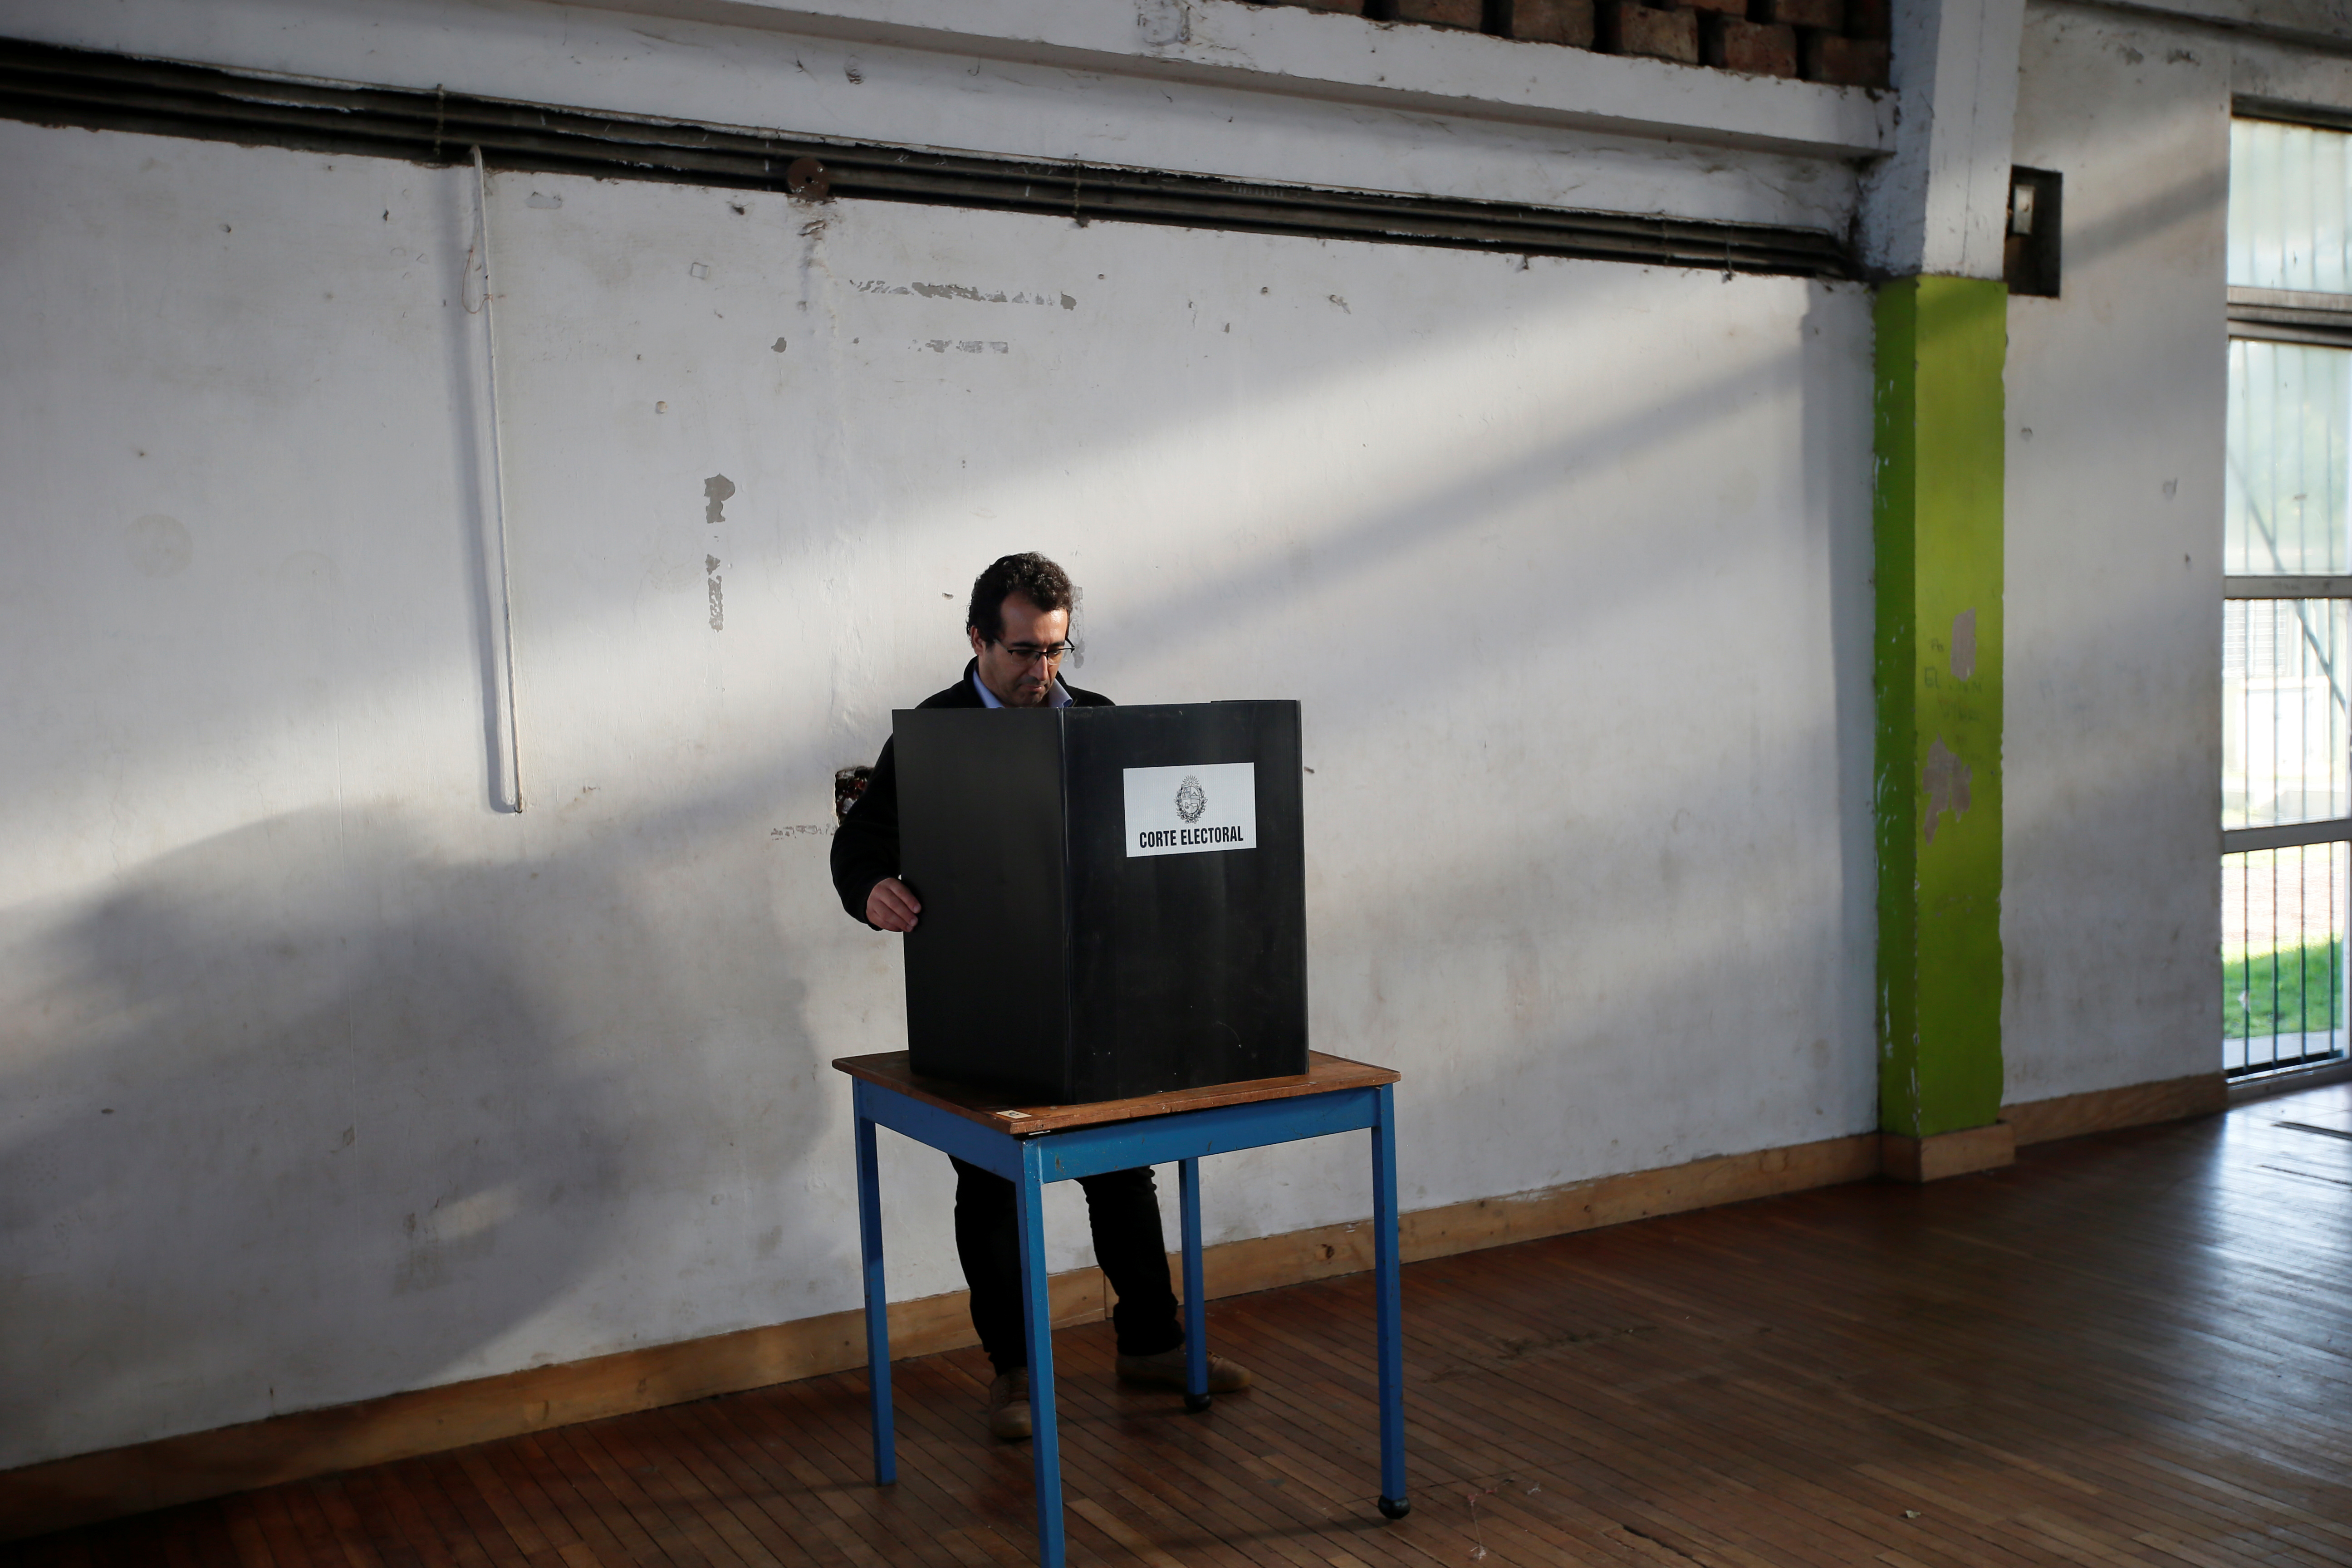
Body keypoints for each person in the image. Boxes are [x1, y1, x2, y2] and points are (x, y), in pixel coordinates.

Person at [831, 552, 1252, 1441]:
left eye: (1055, 651)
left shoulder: (1094, 722)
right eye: (1023, 651)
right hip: (980, 1007)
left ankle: (1150, 1345)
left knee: (1119, 1165)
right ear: (978, 638)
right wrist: (872, 889)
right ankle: (1015, 1374)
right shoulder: (931, 735)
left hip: (1097, 1000)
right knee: (991, 1188)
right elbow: (859, 845)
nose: (1041, 671)